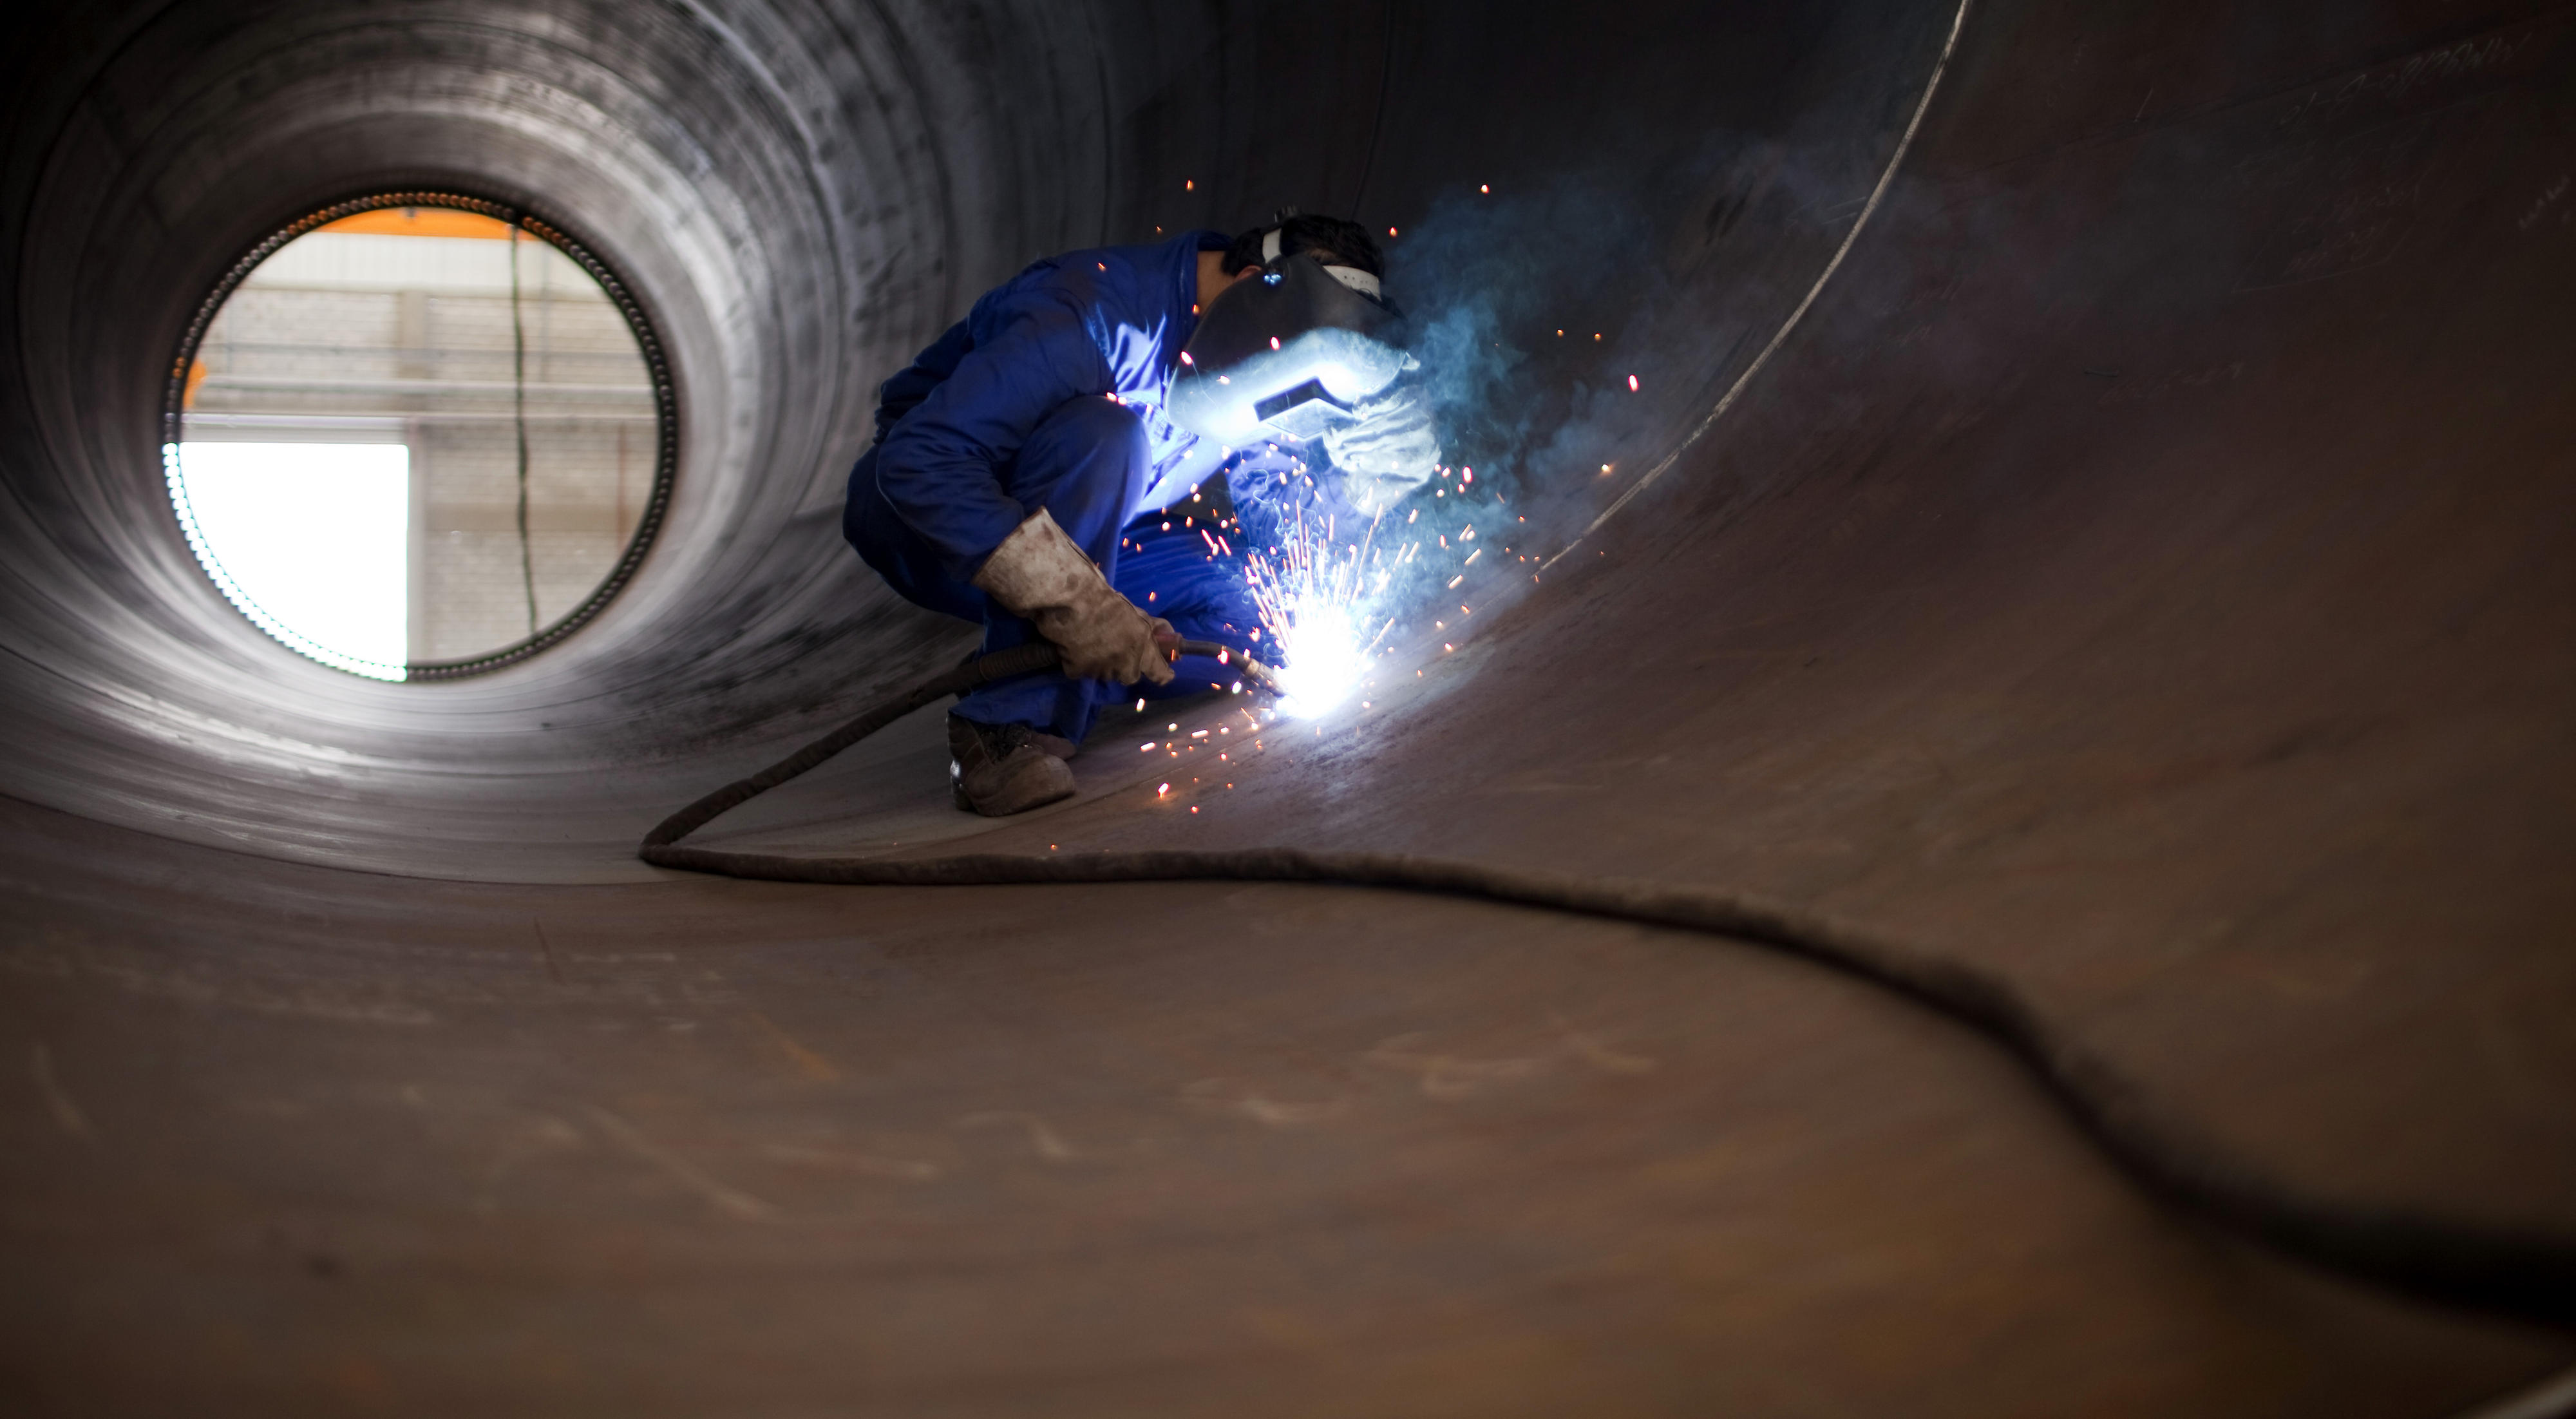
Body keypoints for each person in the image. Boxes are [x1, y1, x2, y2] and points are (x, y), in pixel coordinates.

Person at [844, 214, 1439, 816]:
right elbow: (920, 460)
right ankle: (1001, 729)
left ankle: (1031, 659)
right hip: (926, 519)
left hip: (1096, 534)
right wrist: (1074, 601)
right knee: (1109, 435)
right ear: (1255, 283)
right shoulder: (1090, 312)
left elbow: (1274, 522)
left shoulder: (1258, 344)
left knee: (1264, 608)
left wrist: (1357, 494)